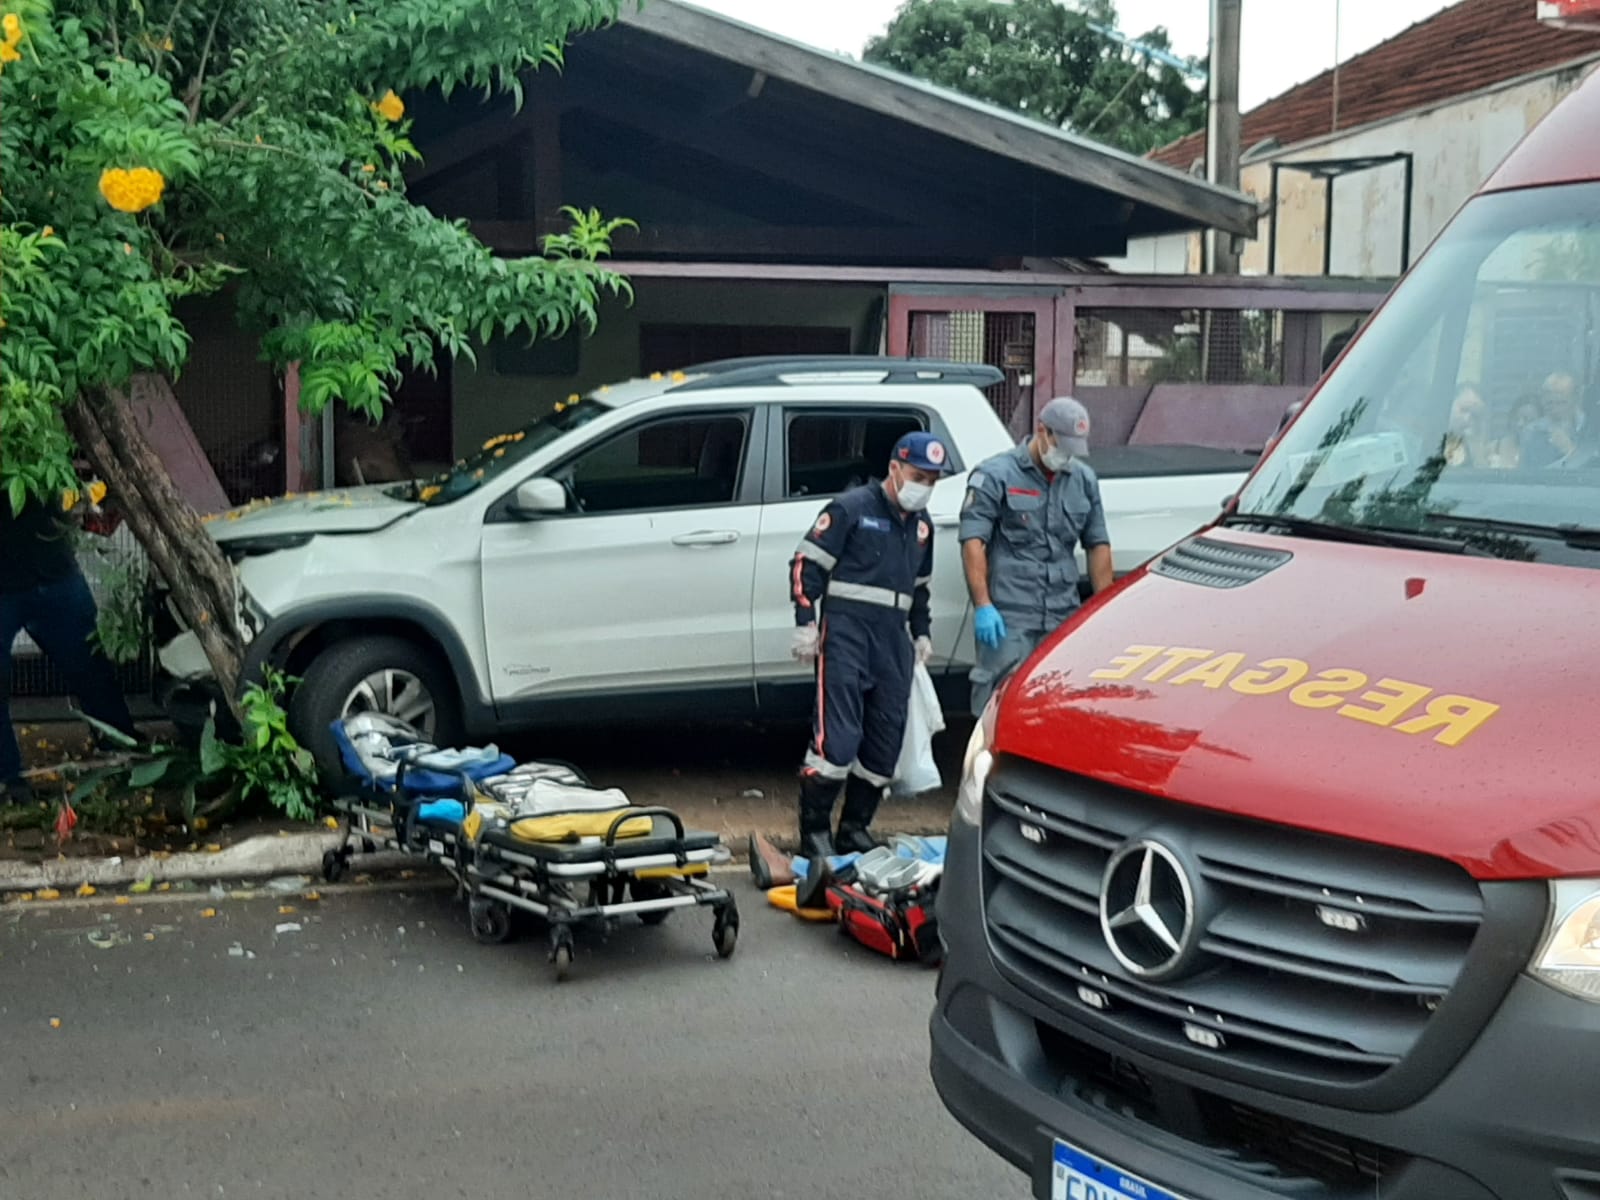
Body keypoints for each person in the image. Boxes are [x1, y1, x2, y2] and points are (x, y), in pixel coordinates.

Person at [788, 431, 946, 885]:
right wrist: (806, 620)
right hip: (847, 633)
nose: (925, 486)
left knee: (884, 744)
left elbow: (921, 589)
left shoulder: (921, 526)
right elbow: (806, 564)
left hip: (892, 641)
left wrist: (921, 633)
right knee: (838, 740)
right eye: (918, 476)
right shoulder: (852, 508)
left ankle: (854, 829)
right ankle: (813, 831)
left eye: (932, 480)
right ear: (895, 468)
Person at [960, 397, 1112, 718]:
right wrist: (983, 605)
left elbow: (1097, 545)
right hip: (1009, 616)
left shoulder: (1083, 480)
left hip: (1062, 615)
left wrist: (1102, 612)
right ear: (1041, 431)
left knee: (1055, 706)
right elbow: (973, 541)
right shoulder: (995, 475)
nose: (1066, 456)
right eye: (1062, 445)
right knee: (997, 707)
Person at [1, 489, 138, 805]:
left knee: (93, 672)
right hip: (11, 586)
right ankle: (8, 781)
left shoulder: (40, 443)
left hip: (56, 574)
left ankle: (124, 755)